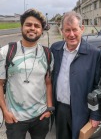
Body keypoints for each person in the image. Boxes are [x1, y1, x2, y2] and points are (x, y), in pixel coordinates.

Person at [0, 8, 54, 139]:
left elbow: (48, 83)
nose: (32, 28)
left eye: (37, 26)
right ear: (21, 27)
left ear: (41, 30)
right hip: (15, 118)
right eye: (28, 24)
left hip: (40, 117)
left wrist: (49, 108)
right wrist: (5, 112)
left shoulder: (47, 54)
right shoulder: (6, 51)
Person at [51, 11, 101, 139]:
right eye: (67, 30)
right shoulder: (55, 49)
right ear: (62, 31)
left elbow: (98, 86)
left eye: (75, 29)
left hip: (82, 110)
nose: (71, 34)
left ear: (82, 29)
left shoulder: (94, 54)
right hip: (60, 109)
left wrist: (95, 115)